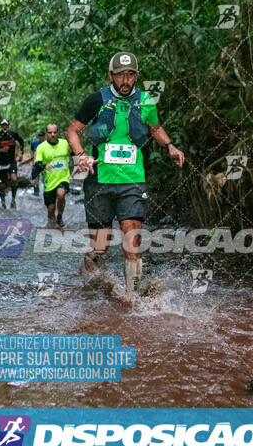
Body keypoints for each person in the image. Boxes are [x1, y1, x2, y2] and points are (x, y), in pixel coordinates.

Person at [67, 52, 185, 293]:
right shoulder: (96, 100)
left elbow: (155, 128)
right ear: (111, 75)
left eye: (130, 75)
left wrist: (169, 146)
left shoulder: (146, 101)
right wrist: (80, 155)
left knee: (132, 241)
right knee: (100, 246)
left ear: (136, 76)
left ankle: (133, 298)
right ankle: (88, 283)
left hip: (132, 179)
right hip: (99, 179)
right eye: (120, 75)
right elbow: (72, 131)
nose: (125, 80)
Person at [31, 124, 71, 229]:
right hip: (49, 182)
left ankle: (60, 216)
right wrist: (44, 166)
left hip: (63, 178)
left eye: (54, 132)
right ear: (46, 134)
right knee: (50, 210)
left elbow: (73, 153)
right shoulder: (41, 147)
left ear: (57, 133)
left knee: (61, 194)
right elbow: (37, 163)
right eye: (50, 133)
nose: (53, 134)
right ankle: (53, 230)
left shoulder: (65, 143)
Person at [0, 118, 24, 209]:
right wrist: (0, 150)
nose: (4, 127)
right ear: (1, 126)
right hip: (1, 163)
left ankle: (13, 200)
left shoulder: (13, 134)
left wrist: (21, 153)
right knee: (1, 185)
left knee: (14, 179)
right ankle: (3, 203)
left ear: (8, 126)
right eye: (2, 125)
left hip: (11, 161)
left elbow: (21, 141)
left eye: (6, 125)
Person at [30, 130, 46, 196]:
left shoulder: (47, 144)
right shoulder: (34, 143)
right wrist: (32, 159)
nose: (40, 137)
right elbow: (31, 151)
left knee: (45, 178)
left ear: (44, 137)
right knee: (35, 178)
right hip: (36, 163)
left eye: (42, 136)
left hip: (44, 163)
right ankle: (36, 191)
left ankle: (46, 191)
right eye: (39, 136)